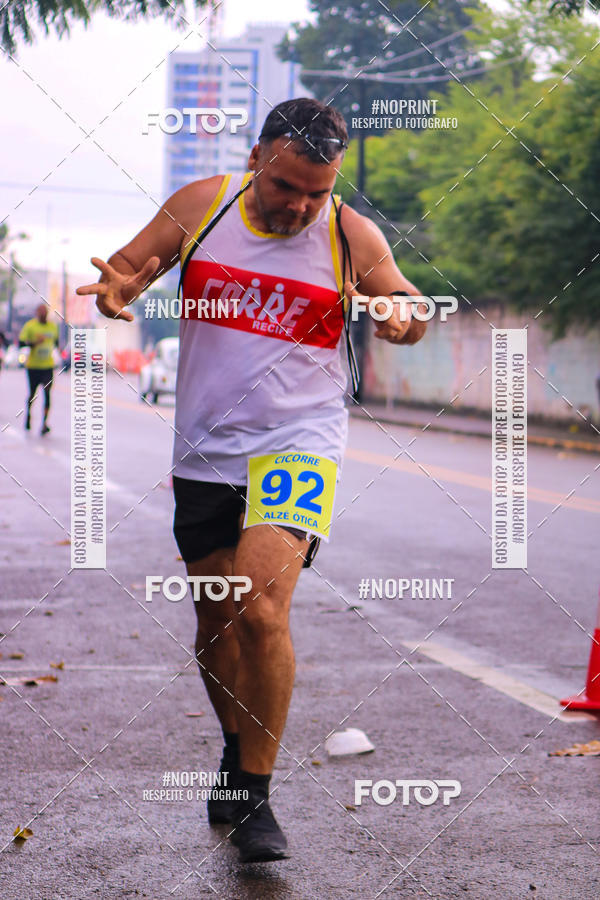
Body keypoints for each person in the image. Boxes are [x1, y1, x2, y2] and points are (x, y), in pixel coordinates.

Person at [76, 97, 427, 863]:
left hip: (299, 443)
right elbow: (129, 274)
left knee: (261, 607)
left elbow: (404, 296)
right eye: (288, 187)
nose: (302, 205)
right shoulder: (204, 207)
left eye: (317, 190)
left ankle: (254, 796)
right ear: (257, 159)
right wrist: (115, 293)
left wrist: (405, 315)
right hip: (204, 449)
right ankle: (238, 754)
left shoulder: (346, 233)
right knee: (215, 622)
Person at [19, 303, 59, 435]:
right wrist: (34, 343)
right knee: (32, 394)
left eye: (45, 312)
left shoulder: (52, 327)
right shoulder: (30, 326)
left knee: (47, 394)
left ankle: (44, 423)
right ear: (37, 313)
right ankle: (28, 416)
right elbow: (21, 343)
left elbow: (56, 342)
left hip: (47, 366)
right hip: (33, 367)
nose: (43, 314)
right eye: (40, 312)